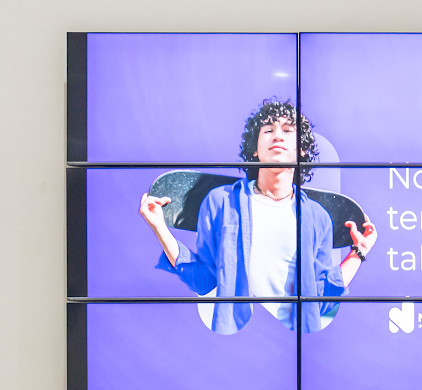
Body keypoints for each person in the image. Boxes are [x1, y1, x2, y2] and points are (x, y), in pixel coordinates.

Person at [139, 97, 376, 334]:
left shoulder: (317, 217)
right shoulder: (221, 201)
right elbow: (203, 278)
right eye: (269, 129)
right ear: (255, 148)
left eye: (287, 130)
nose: (277, 136)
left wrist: (358, 252)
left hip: (294, 341)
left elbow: (319, 298)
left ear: (301, 150)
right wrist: (160, 228)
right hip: (238, 339)